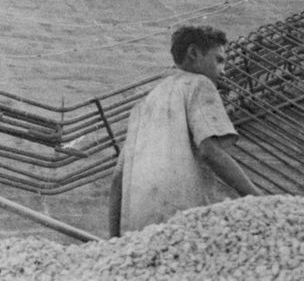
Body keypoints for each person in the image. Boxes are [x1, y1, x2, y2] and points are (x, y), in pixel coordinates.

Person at [108, 25, 258, 236]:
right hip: (180, 220)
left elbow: (117, 181)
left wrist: (113, 241)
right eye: (219, 60)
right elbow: (210, 151)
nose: (223, 70)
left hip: (138, 229)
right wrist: (259, 199)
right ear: (194, 53)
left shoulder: (143, 105)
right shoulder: (199, 84)